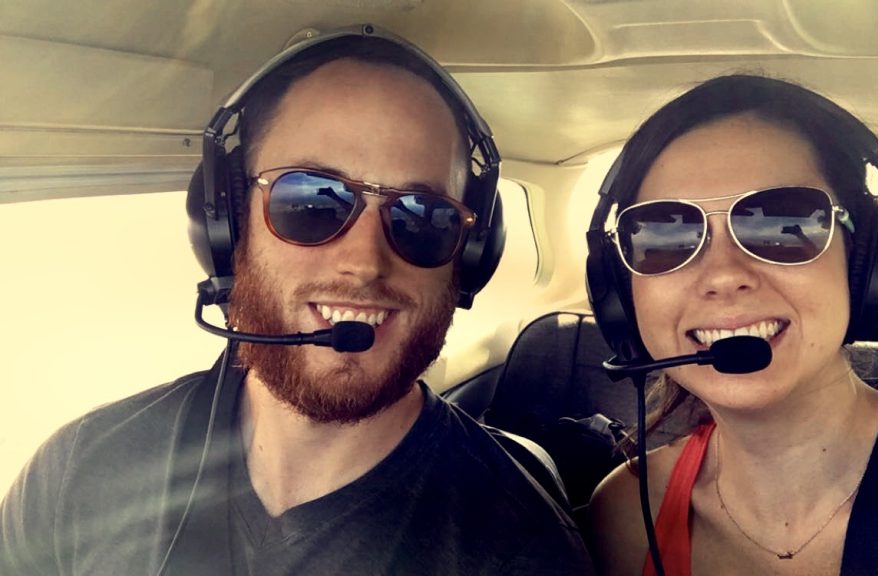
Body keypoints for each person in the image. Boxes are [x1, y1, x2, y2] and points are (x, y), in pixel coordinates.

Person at [0, 27, 594, 575]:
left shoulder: (520, 544)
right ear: (227, 225)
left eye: (424, 219)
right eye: (312, 200)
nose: (364, 263)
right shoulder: (80, 469)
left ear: (469, 258)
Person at [586, 74, 878, 575]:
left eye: (780, 225)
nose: (725, 275)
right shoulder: (624, 515)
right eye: (664, 236)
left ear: (868, 265)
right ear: (620, 291)